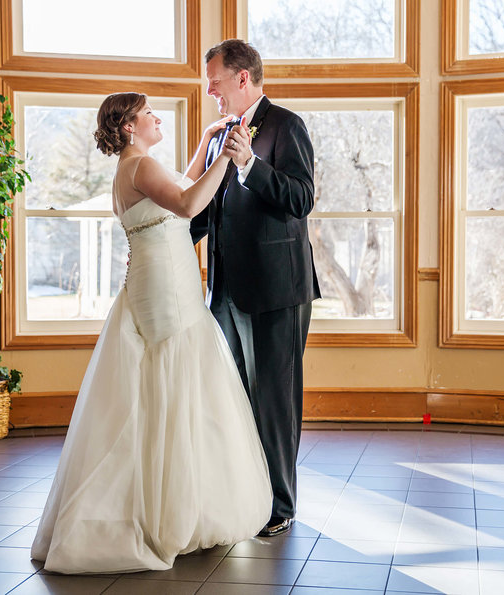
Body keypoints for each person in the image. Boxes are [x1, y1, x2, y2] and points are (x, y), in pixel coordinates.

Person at [31, 92, 272, 574]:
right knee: (176, 381)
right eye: (147, 113)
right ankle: (168, 513)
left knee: (164, 384)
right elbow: (186, 202)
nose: (157, 117)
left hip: (158, 279)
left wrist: (206, 142)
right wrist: (227, 155)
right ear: (127, 126)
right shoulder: (139, 167)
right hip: (166, 288)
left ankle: (164, 502)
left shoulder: (136, 166)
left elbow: (175, 184)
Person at [191, 39, 320, 537]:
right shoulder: (219, 132)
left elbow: (301, 198)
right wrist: (166, 242)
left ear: (242, 78)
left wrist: (250, 165)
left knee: (274, 402)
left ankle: (280, 507)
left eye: (216, 81)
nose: (210, 91)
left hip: (275, 291)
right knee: (234, 399)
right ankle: (244, 498)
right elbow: (205, 209)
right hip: (222, 291)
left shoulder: (287, 126)